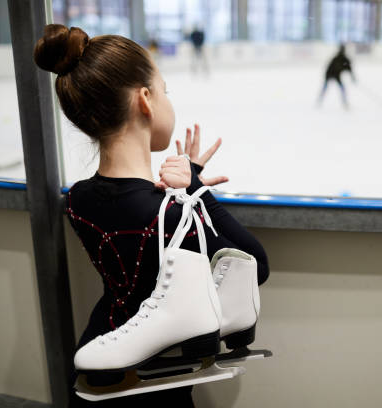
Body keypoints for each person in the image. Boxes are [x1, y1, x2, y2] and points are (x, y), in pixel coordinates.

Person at [33, 24, 269, 407]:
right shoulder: (169, 215)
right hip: (154, 384)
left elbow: (129, 211)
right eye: (164, 91)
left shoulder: (78, 199)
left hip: (97, 362)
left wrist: (182, 194)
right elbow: (255, 266)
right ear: (145, 99)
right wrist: (198, 193)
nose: (167, 101)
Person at [317, 44, 356, 109]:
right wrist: (353, 77)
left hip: (334, 75)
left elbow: (349, 69)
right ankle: (320, 100)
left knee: (336, 88)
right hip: (331, 74)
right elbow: (349, 69)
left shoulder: (340, 58)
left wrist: (353, 77)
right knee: (327, 88)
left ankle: (344, 102)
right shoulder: (341, 59)